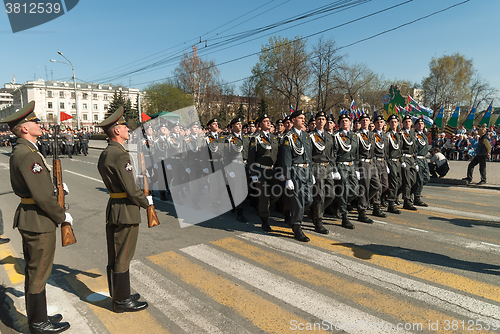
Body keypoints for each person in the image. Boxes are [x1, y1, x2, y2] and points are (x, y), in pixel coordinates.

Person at [0, 101, 72, 333]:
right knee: (38, 271)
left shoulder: (26, 150)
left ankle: (39, 317)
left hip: (33, 217)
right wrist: (62, 216)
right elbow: (41, 196)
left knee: (37, 270)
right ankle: (38, 323)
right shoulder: (28, 154)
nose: (39, 124)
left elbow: (39, 187)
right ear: (23, 128)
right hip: (38, 219)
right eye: (34, 122)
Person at [96, 106, 150, 313]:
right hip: (126, 210)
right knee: (123, 256)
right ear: (117, 130)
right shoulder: (120, 155)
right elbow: (130, 189)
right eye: (125, 126)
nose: (128, 129)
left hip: (115, 207)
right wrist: (148, 203)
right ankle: (121, 301)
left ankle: (120, 293)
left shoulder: (107, 152)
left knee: (117, 254)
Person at [281, 110, 313, 241]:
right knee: (299, 201)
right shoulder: (288, 137)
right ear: (293, 120)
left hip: (306, 171)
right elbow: (286, 158)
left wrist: (311, 173)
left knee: (309, 199)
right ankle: (298, 228)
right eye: (300, 118)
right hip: (296, 171)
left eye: (304, 118)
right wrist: (288, 178)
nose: (303, 120)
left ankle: (293, 217)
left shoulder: (306, 136)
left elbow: (309, 156)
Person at [247, 114, 279, 231]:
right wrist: (253, 173)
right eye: (265, 121)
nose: (268, 123)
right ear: (260, 124)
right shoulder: (255, 138)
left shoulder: (274, 138)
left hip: (273, 170)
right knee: (264, 196)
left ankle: (263, 207)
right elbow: (251, 157)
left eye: (269, 121)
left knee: (276, 194)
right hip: (261, 171)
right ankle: (264, 220)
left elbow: (277, 155)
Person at [309, 111, 335, 234]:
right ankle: (318, 221)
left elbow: (332, 154)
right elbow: (309, 155)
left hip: (328, 168)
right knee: (319, 196)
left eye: (323, 119)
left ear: (325, 122)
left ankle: (314, 212)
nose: (320, 121)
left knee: (331, 195)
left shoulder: (329, 136)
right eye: (318, 119)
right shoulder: (311, 136)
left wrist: (333, 167)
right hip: (317, 167)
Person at [332, 113, 359, 229]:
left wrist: (357, 168)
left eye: (346, 120)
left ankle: (336, 205)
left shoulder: (354, 136)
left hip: (352, 166)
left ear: (350, 122)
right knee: (344, 191)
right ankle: (344, 217)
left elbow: (356, 153)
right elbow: (333, 154)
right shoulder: (336, 136)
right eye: (342, 121)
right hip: (341, 166)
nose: (344, 122)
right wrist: (335, 169)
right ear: (339, 124)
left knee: (355, 190)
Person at [356, 113, 381, 223]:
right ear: (360, 122)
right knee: (364, 187)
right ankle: (362, 212)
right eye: (363, 120)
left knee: (377, 186)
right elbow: (355, 151)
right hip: (363, 163)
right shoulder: (357, 135)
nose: (365, 122)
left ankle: (362, 202)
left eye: (367, 120)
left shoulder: (372, 135)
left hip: (372, 163)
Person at [399, 115, 417, 210]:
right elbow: (399, 148)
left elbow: (415, 148)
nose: (407, 123)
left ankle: (398, 194)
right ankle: (407, 200)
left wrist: (416, 161)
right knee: (407, 181)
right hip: (405, 158)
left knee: (413, 180)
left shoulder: (413, 134)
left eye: (409, 121)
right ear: (403, 123)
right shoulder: (401, 133)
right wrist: (402, 160)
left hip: (412, 159)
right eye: (405, 122)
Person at [386, 114, 402, 214]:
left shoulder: (398, 135)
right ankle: (391, 204)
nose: (393, 123)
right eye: (391, 122)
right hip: (391, 161)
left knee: (399, 182)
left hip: (398, 161)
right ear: (389, 124)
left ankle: (392, 198)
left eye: (395, 122)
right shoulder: (387, 135)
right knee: (393, 183)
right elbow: (386, 150)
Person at [412, 118, 431, 206]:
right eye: (418, 124)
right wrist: (415, 162)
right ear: (415, 125)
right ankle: (417, 197)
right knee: (419, 179)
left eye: (422, 124)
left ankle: (412, 190)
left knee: (426, 178)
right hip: (418, 159)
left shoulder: (424, 135)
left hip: (424, 159)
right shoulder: (414, 135)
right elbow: (414, 150)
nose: (420, 125)